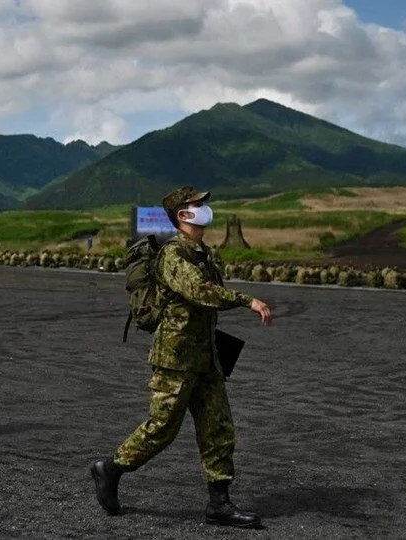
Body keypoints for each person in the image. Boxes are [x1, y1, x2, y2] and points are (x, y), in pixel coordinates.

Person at [90, 186, 273, 528]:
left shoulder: (202, 253)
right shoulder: (174, 254)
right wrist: (246, 299)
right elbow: (200, 291)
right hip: (175, 358)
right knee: (162, 428)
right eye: (197, 204)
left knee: (219, 428)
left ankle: (219, 504)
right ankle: (110, 469)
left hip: (206, 356)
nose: (204, 208)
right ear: (183, 215)